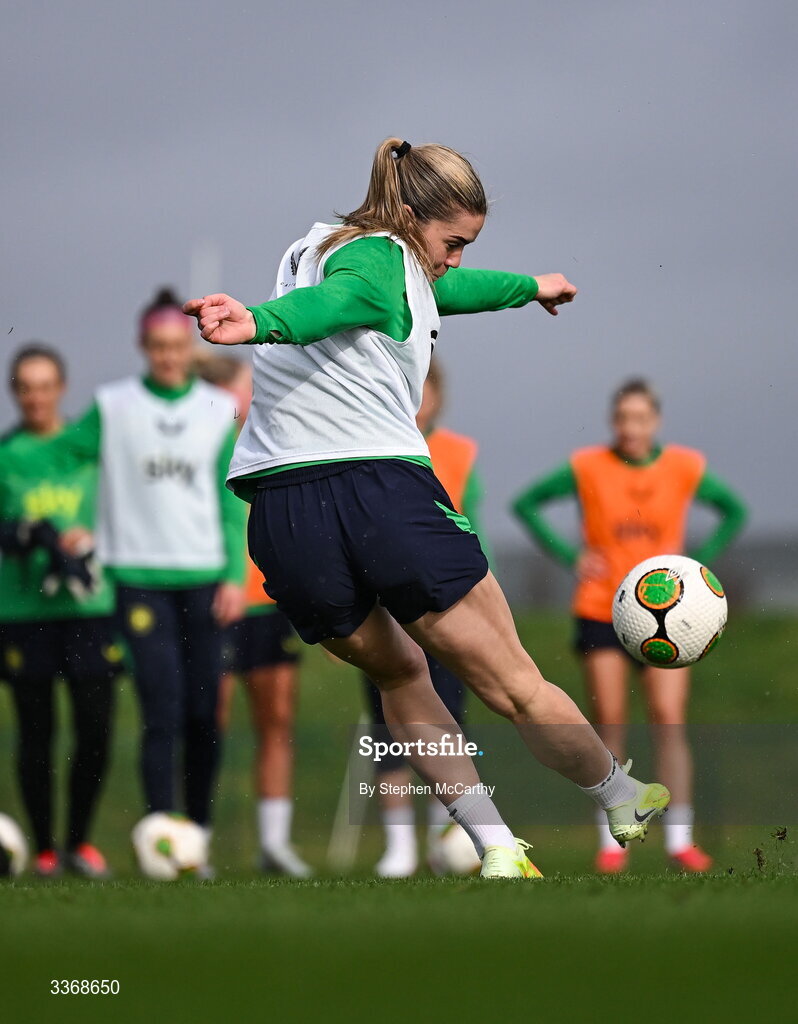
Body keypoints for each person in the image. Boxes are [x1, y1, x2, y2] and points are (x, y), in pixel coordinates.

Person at [184, 137, 671, 879]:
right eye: (453, 243)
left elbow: (432, 293)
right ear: (410, 217)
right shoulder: (379, 259)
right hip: (378, 491)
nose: (456, 260)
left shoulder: (316, 247)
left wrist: (531, 285)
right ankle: (619, 793)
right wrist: (256, 322)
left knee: (401, 677)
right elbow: (336, 305)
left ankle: (498, 847)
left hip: (282, 516)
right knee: (513, 683)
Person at [512, 377, 747, 873]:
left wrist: (697, 567)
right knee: (610, 723)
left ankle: (679, 840)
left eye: (640, 418)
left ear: (655, 421)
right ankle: (611, 841)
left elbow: (733, 510)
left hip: (677, 621)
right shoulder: (587, 466)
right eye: (622, 418)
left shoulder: (684, 466)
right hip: (604, 607)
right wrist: (570, 556)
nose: (630, 428)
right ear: (612, 421)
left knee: (668, 718)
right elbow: (526, 504)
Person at [52, 290, 247, 862]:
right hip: (136, 580)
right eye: (157, 347)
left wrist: (235, 576)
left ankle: (199, 837)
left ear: (189, 348)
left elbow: (229, 500)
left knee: (203, 711)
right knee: (160, 707)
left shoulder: (217, 408)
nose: (167, 356)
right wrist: (74, 521)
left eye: (175, 347)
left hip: (205, 577)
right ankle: (162, 834)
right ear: (143, 348)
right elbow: (63, 458)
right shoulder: (113, 405)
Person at [0, 345, 121, 878]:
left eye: (45, 385)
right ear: (15, 393)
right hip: (25, 611)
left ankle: (79, 841)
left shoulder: (85, 445)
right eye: (26, 387)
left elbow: (122, 505)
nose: (36, 397)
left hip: (91, 607)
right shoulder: (6, 456)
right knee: (36, 731)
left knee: (96, 728)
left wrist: (89, 535)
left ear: (61, 389)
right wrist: (33, 535)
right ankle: (45, 848)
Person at [362, 357, 482, 877]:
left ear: (436, 395)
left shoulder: (460, 451)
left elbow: (468, 523)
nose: (416, 400)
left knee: (445, 723)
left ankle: (443, 839)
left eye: (422, 390)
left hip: (446, 602)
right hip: (386, 604)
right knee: (390, 723)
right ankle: (398, 847)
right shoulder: (368, 445)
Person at [194, 352, 311, 876]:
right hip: (215, 599)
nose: (248, 400)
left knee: (277, 720)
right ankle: (194, 841)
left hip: (268, 599)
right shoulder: (198, 447)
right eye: (241, 391)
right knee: (206, 722)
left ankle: (274, 844)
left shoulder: (277, 438)